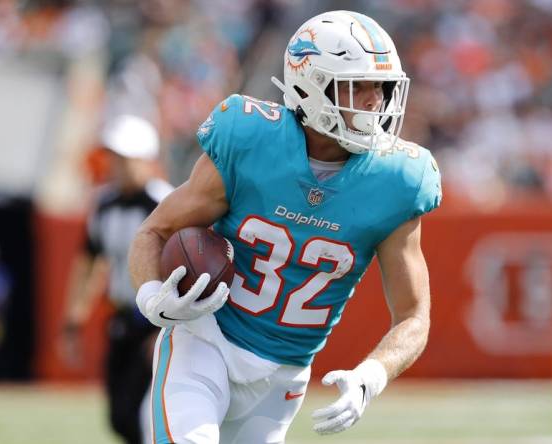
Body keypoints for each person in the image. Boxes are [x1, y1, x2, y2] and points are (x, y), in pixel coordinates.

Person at [129, 10, 441, 444]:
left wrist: (373, 374)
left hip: (284, 379)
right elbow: (154, 231)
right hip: (206, 344)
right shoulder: (251, 139)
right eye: (358, 85)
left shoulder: (398, 180)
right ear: (311, 84)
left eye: (382, 86)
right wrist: (150, 297)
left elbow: (413, 316)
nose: (374, 100)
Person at [60, 114, 173, 444]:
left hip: (158, 322)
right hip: (123, 316)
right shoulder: (104, 205)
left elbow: (185, 267)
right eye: (113, 158)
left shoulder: (167, 203)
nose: (115, 166)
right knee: (119, 418)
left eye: (123, 159)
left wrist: (170, 327)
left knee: (146, 415)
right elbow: (89, 263)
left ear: (145, 160)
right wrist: (73, 320)